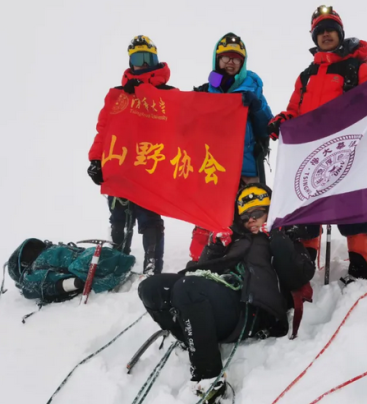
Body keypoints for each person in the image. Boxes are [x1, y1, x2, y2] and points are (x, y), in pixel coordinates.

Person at [138, 184, 315, 402]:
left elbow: (298, 276)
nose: (250, 220)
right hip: (218, 296)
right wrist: (215, 246)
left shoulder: (285, 238)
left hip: (252, 309)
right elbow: (201, 269)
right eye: (245, 216)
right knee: (151, 288)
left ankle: (209, 378)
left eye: (257, 213)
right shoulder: (235, 238)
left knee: (187, 289)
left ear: (271, 211)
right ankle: (192, 336)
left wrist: (278, 236)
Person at [267, 6, 367, 284]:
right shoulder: (305, 76)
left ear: (340, 34)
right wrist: (283, 119)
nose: (325, 34)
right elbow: (296, 109)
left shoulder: (359, 69)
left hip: (348, 153)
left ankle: (359, 267)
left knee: (351, 209)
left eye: (330, 29)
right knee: (307, 209)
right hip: (312, 156)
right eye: (320, 31)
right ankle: (305, 265)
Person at [88, 35, 178, 275]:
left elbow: (183, 123)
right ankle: (118, 259)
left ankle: (152, 264)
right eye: (137, 58)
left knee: (148, 215)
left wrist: (145, 91)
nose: (142, 63)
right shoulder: (117, 95)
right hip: (121, 162)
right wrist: (96, 160)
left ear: (155, 60)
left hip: (151, 163)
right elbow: (104, 130)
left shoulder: (169, 94)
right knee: (118, 214)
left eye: (147, 57)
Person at [188, 33, 273, 261]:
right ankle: (206, 258)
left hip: (247, 165)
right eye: (225, 57)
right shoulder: (206, 91)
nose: (231, 62)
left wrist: (256, 107)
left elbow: (268, 125)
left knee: (250, 214)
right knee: (213, 213)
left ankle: (253, 259)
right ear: (217, 60)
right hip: (214, 165)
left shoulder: (252, 88)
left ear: (243, 62)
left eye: (236, 58)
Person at [6, 238, 135, 303]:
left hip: (89, 262)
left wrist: (71, 284)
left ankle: (114, 266)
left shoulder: (37, 267)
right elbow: (41, 283)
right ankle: (118, 264)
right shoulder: (35, 269)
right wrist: (73, 283)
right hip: (91, 261)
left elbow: (38, 285)